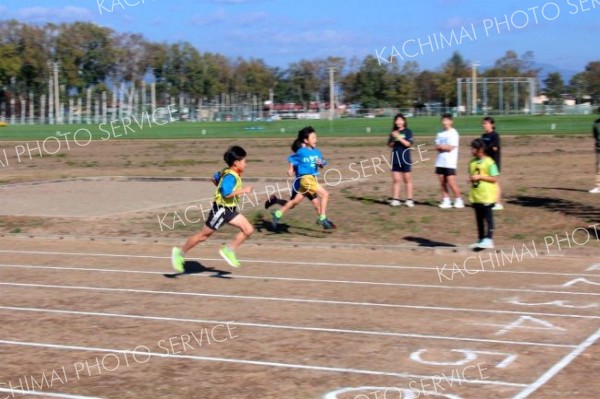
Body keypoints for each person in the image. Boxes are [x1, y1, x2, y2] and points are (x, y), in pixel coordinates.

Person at [171, 145, 254, 271]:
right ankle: (179, 253)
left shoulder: (227, 172)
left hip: (229, 210)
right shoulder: (231, 176)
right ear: (236, 163)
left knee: (248, 229)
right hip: (221, 210)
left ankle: (229, 250)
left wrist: (218, 185)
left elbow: (214, 178)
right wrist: (244, 190)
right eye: (244, 161)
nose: (246, 164)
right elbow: (226, 193)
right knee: (203, 236)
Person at [271, 127, 334, 230]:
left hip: (310, 180)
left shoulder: (317, 152)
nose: (315, 140)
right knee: (325, 194)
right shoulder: (301, 152)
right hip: (305, 179)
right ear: (306, 141)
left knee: (295, 202)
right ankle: (323, 218)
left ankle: (278, 213)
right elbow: (292, 158)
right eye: (313, 138)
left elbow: (322, 164)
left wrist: (321, 163)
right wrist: (290, 169)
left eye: (316, 137)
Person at [467, 138, 499, 249]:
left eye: (473, 148)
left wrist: (480, 177)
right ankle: (481, 239)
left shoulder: (489, 162)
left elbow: (495, 178)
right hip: (476, 196)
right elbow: (472, 175)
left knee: (488, 219)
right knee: (479, 219)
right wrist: (471, 179)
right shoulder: (472, 162)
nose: (471, 150)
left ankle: (489, 239)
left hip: (487, 196)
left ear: (480, 149)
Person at [435, 113, 464, 209]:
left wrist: (442, 146)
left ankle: (459, 199)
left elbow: (451, 147)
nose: (445, 122)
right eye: (443, 120)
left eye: (447, 120)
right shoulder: (440, 133)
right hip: (440, 161)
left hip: (450, 162)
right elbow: (437, 146)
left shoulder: (454, 133)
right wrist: (442, 147)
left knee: (451, 181)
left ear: (451, 121)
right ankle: (446, 199)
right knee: (442, 181)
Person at [387, 113, 414, 207]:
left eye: (401, 120)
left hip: (405, 158)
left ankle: (409, 199)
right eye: (397, 120)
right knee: (396, 179)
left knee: (407, 179)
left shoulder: (408, 131)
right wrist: (393, 139)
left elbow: (408, 144)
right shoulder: (393, 132)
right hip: (395, 159)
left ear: (404, 121)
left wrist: (398, 137)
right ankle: (395, 199)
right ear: (395, 122)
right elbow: (389, 145)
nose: (399, 122)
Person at [481, 116, 503, 209]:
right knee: (486, 182)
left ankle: (498, 203)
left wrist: (487, 148)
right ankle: (489, 201)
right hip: (485, 163)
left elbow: (495, 148)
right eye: (483, 124)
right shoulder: (483, 136)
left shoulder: (495, 135)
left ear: (492, 124)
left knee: (494, 182)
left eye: (486, 123)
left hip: (493, 163)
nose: (484, 125)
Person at [590, 112, 600, 194]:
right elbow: (595, 135)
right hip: (599, 148)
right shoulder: (596, 123)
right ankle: (598, 187)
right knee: (598, 167)